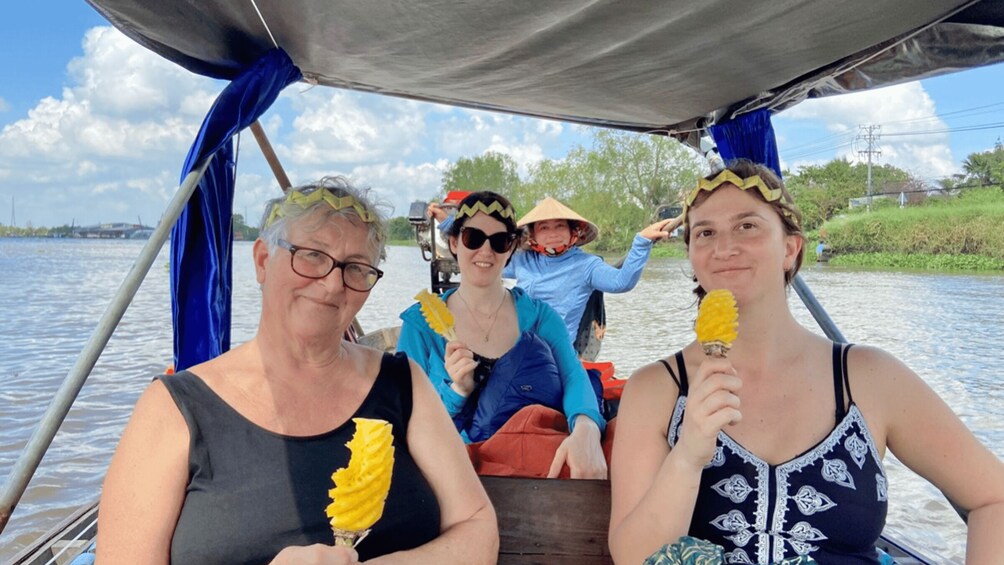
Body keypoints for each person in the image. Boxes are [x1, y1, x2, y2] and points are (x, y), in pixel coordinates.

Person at [608, 160, 1004, 564]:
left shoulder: (870, 378)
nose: (724, 248)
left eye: (747, 226)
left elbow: (993, 498)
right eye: (705, 232)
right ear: (691, 254)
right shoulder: (656, 389)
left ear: (791, 248)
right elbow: (631, 557)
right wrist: (689, 455)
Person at [97, 177, 497, 565]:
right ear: (262, 261)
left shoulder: (401, 382)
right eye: (312, 254)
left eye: (357, 267)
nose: (330, 284)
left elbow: (477, 525)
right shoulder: (175, 408)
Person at [399, 191, 607, 479]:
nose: (486, 251)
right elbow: (406, 418)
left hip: (535, 470)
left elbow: (573, 374)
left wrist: (586, 425)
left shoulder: (540, 317)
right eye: (474, 238)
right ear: (454, 242)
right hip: (453, 473)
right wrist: (456, 391)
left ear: (510, 250)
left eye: (499, 242)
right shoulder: (421, 326)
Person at [429, 197, 680, 353]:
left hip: (554, 353)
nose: (553, 234)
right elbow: (480, 254)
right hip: (510, 346)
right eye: (544, 228)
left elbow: (621, 282)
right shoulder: (522, 260)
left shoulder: (587, 266)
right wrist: (446, 223)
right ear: (533, 236)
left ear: (574, 232)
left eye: (560, 226)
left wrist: (641, 243)